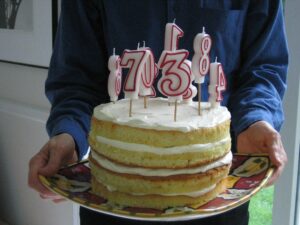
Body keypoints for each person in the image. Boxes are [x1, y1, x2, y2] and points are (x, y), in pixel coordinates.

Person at [28, 0, 288, 224]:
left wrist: (257, 119)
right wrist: (69, 134)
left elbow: (263, 68)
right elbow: (77, 78)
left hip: (214, 197)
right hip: (112, 198)